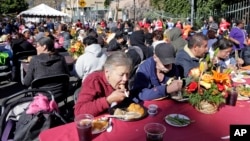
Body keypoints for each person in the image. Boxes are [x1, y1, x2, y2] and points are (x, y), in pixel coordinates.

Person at [74, 51, 132, 117]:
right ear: (107, 72)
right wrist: (108, 100)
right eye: (121, 75)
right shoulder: (93, 80)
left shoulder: (122, 81)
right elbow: (79, 112)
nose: (125, 79)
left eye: (127, 74)